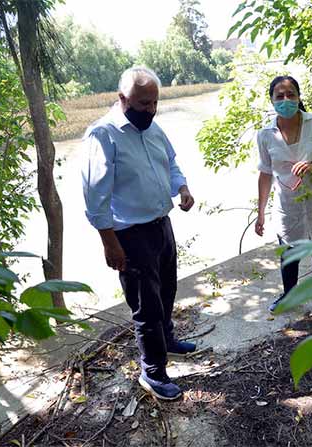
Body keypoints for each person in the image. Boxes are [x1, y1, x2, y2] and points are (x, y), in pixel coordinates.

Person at [82, 66, 196, 401]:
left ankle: (169, 341)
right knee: (145, 306)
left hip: (161, 223)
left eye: (154, 102)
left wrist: (183, 187)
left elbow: (171, 163)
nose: (150, 109)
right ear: (122, 99)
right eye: (143, 103)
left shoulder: (153, 128)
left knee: (168, 290)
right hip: (130, 233)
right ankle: (153, 371)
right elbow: (94, 196)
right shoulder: (103, 134)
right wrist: (109, 242)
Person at [255, 75, 312, 327]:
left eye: (291, 94)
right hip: (288, 205)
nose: (286, 100)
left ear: (299, 96)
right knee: (289, 255)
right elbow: (265, 173)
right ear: (271, 100)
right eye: (279, 96)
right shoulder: (265, 134)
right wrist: (260, 213)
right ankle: (289, 295)